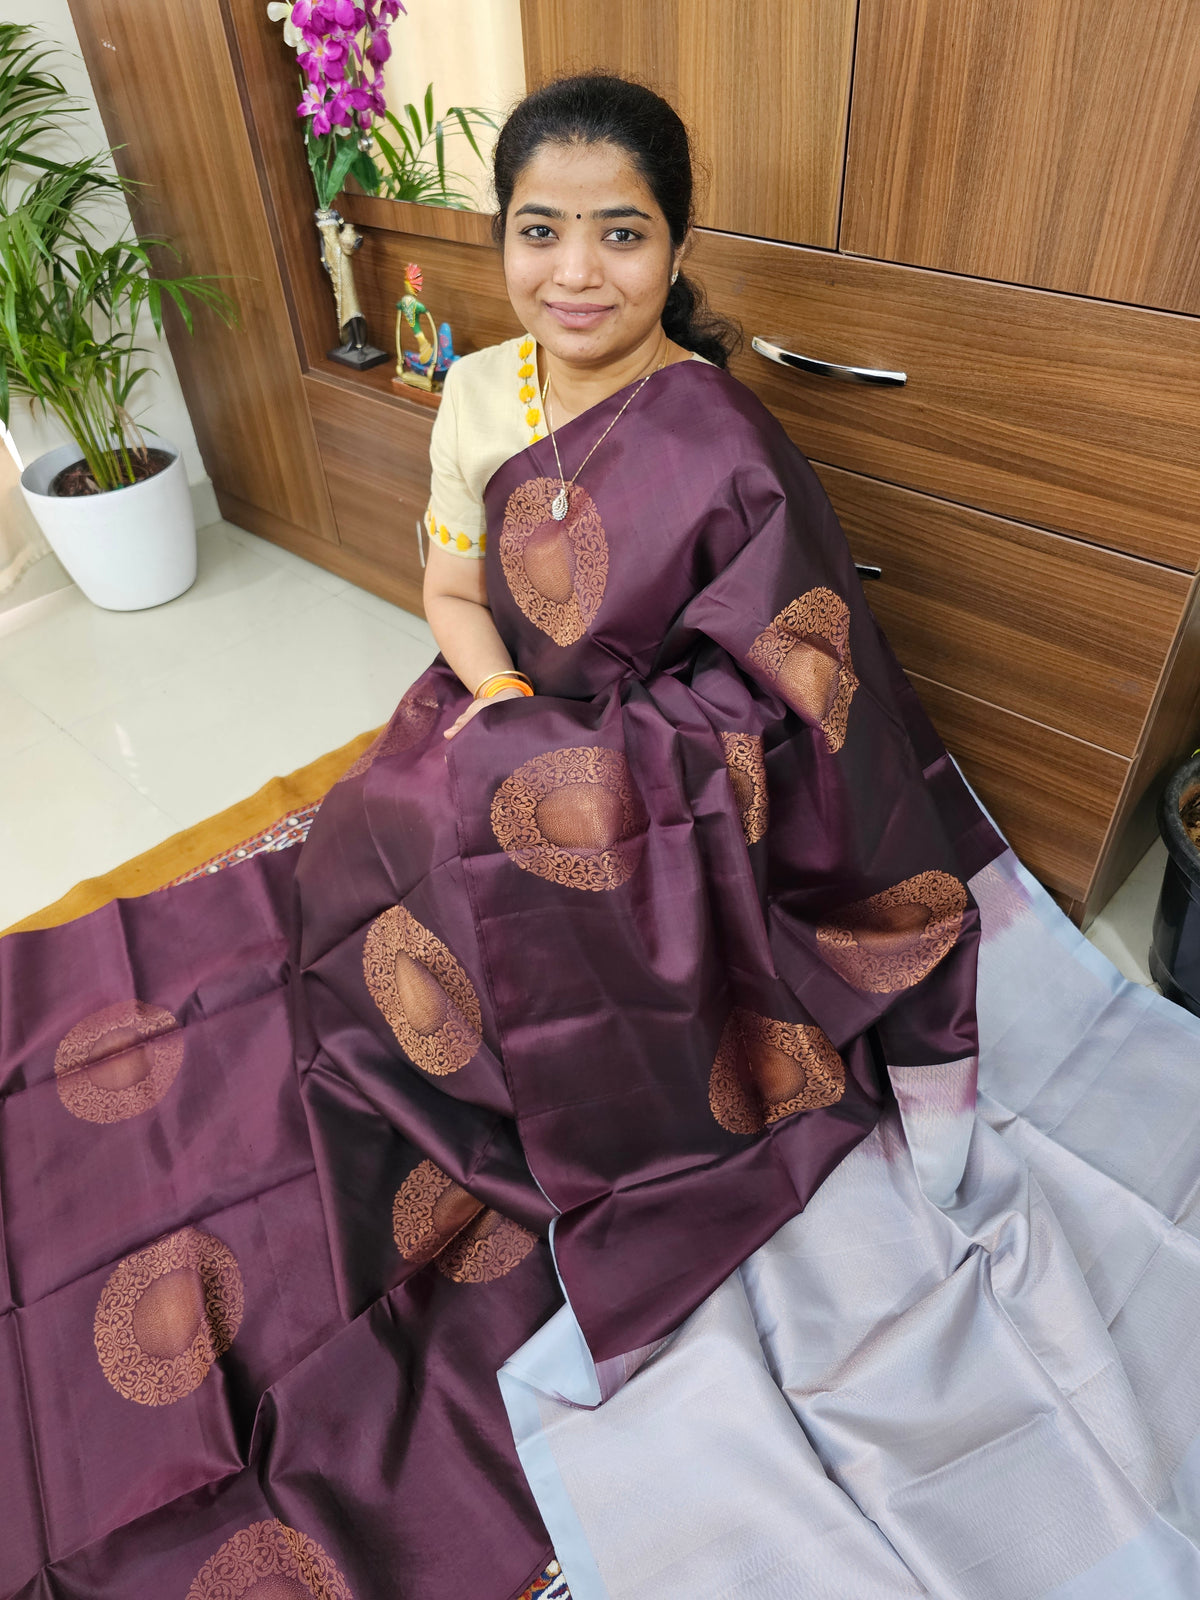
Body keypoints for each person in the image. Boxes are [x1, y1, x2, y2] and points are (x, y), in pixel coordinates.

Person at [3, 72, 1200, 1600]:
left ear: (675, 245)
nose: (576, 271)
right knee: (387, 836)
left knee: (536, 875)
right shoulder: (476, 398)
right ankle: (451, 1063)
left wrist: (612, 766)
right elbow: (452, 592)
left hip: (677, 772)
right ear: (502, 239)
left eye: (620, 234)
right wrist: (505, 706)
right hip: (510, 709)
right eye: (540, 231)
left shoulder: (718, 432)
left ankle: (598, 1094)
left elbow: (795, 677)